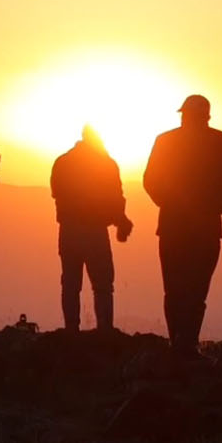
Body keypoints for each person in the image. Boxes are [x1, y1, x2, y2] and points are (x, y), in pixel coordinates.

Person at [143, 95, 222, 357]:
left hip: (173, 226)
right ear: (207, 116)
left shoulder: (166, 141)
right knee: (197, 289)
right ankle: (188, 343)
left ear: (184, 114)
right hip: (206, 227)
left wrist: (166, 203)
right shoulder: (221, 142)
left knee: (174, 288)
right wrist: (221, 205)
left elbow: (150, 179)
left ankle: (178, 343)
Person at [49, 126, 133, 331]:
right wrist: (120, 220)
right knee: (103, 284)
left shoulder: (63, 162)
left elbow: (56, 192)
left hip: (69, 231)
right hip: (95, 231)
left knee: (70, 283)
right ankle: (104, 329)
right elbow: (116, 197)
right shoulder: (105, 164)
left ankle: (72, 329)